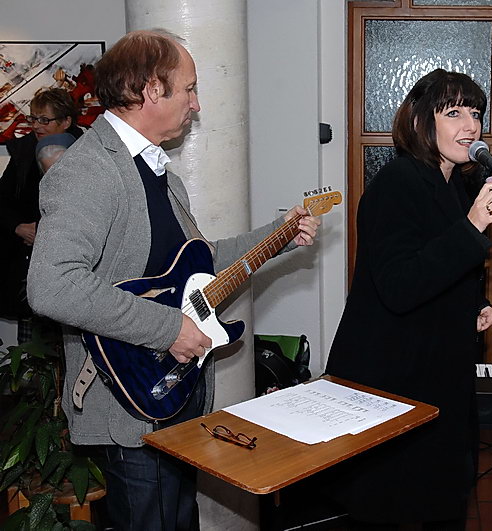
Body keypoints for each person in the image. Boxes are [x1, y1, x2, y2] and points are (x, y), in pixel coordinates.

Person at [26, 29, 320, 531]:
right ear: (151, 89)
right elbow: (52, 285)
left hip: (170, 394)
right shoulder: (89, 170)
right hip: (129, 400)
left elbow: (200, 264)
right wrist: (170, 329)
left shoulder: (159, 173)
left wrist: (280, 235)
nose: (196, 104)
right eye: (189, 89)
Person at [324, 68, 492, 529]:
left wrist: (475, 303)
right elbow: (400, 285)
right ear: (420, 121)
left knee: (442, 499)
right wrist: (471, 228)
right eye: (454, 113)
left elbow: (444, 264)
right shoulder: (397, 183)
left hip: (439, 374)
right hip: (393, 379)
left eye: (476, 113)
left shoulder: (457, 185)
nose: (471, 125)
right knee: (398, 507)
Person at [0, 88, 83, 341]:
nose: (36, 126)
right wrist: (18, 227)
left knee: (71, 343)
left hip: (73, 266)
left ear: (66, 121)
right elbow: (2, 199)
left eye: (44, 120)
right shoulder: (24, 151)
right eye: (33, 118)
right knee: (32, 350)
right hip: (28, 266)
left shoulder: (87, 153)